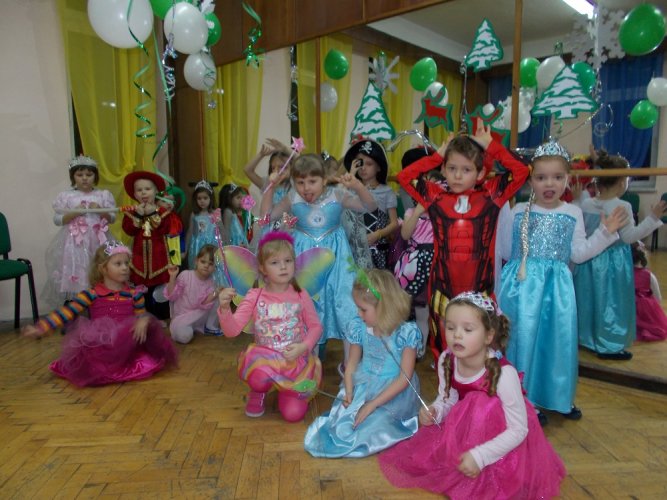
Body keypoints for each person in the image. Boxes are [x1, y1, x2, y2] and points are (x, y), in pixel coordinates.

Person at [378, 292, 566, 499]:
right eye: (450, 327)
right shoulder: (446, 360)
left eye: (467, 329)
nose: (457, 335)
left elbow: (518, 429)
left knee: (481, 404)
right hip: (468, 430)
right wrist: (436, 410)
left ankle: (482, 466)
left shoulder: (504, 374)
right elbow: (448, 398)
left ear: (488, 336)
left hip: (504, 440)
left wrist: (480, 455)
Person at [496, 139, 628, 423]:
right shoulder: (518, 211)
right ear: (531, 180)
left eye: (557, 177)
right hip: (521, 289)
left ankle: (557, 396)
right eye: (541, 177)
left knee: (557, 341)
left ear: (568, 179)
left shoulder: (572, 213)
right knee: (523, 340)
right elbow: (506, 251)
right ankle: (524, 400)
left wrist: (605, 233)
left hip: (557, 291)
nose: (549, 184)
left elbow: (578, 254)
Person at [397, 122, 529, 359]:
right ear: (444, 169)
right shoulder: (435, 196)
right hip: (442, 288)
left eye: (466, 170)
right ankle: (446, 380)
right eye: (452, 168)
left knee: (480, 345)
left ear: (480, 173)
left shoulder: (491, 195)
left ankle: (478, 382)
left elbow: (521, 171)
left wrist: (491, 146)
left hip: (480, 288)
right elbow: (404, 177)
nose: (457, 175)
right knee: (444, 346)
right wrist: (437, 155)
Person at [260, 154, 377, 358]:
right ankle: (310, 363)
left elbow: (370, 206)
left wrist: (357, 186)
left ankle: (349, 367)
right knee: (307, 305)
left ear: (324, 180)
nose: (306, 188)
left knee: (346, 305)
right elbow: (266, 217)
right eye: (300, 182)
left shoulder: (337, 196)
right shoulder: (292, 198)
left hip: (337, 261)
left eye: (312, 181)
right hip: (305, 260)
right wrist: (270, 187)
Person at [22, 242, 177, 386]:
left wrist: (143, 320)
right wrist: (42, 327)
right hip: (101, 344)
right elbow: (67, 312)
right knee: (93, 364)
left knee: (143, 341)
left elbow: (141, 314)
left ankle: (123, 363)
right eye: (118, 264)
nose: (125, 268)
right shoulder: (92, 294)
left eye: (126, 263)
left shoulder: (134, 294)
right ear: (103, 269)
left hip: (127, 345)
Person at [304, 269, 421, 457]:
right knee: (343, 424)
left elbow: (404, 379)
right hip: (363, 385)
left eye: (363, 309)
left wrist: (372, 404)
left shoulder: (406, 333)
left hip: (393, 394)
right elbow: (351, 364)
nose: (358, 314)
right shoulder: (359, 327)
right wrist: (349, 389)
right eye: (357, 308)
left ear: (383, 307)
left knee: (373, 427)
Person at [217, 231, 323, 422]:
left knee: (293, 415)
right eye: (274, 262)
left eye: (288, 261)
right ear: (263, 268)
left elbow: (316, 327)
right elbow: (232, 331)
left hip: (293, 362)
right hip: (264, 361)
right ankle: (258, 392)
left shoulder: (301, 294)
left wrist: (303, 347)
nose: (283, 267)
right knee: (258, 376)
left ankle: (286, 391)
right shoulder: (255, 295)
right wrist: (225, 308)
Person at [574, 151, 666, 360]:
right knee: (610, 303)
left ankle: (588, 337)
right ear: (621, 182)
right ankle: (608, 343)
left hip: (589, 261)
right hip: (612, 265)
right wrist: (653, 218)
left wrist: (579, 198)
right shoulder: (622, 206)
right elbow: (629, 237)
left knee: (590, 300)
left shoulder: (587, 202)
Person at [42, 155, 116, 308]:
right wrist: (74, 213)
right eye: (80, 175)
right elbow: (57, 220)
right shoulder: (66, 196)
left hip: (98, 240)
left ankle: (100, 303)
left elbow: (112, 218)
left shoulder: (103, 195)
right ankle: (75, 307)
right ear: (73, 177)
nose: (84, 178)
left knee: (98, 266)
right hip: (75, 242)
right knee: (77, 269)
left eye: (89, 174)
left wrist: (101, 210)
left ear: (95, 176)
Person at [121, 171, 173, 320]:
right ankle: (143, 316)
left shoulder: (163, 212)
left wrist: (152, 214)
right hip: (139, 259)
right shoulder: (131, 213)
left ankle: (161, 317)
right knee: (142, 290)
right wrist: (138, 215)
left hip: (159, 258)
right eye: (139, 190)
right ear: (134, 194)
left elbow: (166, 229)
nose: (143, 192)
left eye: (147, 189)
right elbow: (129, 230)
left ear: (156, 191)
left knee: (160, 289)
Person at [343, 139, 398, 269]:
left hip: (378, 251)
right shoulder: (351, 190)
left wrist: (378, 234)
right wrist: (351, 174)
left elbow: (394, 223)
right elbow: (340, 206)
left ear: (379, 167)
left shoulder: (387, 191)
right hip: (355, 251)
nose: (363, 168)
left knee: (378, 281)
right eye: (360, 163)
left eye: (369, 164)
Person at [164, 245, 221, 343]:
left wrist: (217, 292)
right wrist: (172, 277)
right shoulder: (185, 275)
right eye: (203, 262)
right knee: (184, 336)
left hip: (199, 317)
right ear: (196, 261)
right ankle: (185, 329)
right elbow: (172, 295)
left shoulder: (212, 282)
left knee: (218, 296)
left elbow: (204, 303)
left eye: (211, 264)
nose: (206, 266)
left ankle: (209, 326)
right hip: (182, 318)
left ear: (215, 267)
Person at [632, 242, 667, 342]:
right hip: (646, 308)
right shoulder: (649, 275)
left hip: (629, 306)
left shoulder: (626, 274)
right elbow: (658, 297)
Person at [184, 180, 221, 269]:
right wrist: (185, 249)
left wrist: (225, 246)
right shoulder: (194, 214)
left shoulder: (215, 213)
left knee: (211, 267)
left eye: (205, 198)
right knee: (199, 268)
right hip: (198, 247)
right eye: (199, 198)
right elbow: (190, 232)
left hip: (212, 245)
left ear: (211, 198)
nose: (202, 201)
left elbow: (220, 230)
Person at [219, 183, 250, 247]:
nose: (241, 200)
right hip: (234, 245)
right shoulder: (228, 212)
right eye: (238, 197)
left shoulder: (233, 212)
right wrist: (229, 247)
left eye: (242, 197)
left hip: (239, 245)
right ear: (229, 198)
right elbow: (226, 232)